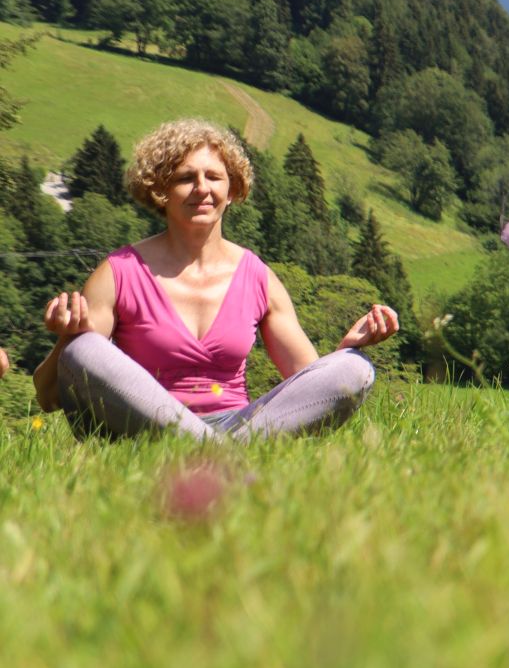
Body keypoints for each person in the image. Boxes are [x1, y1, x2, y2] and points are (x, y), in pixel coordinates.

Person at [34, 118, 398, 440]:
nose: (202, 189)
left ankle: (213, 450)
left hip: (239, 425)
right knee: (84, 349)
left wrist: (344, 350)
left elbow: (307, 386)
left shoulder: (257, 277)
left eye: (213, 177)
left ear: (233, 188)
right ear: (160, 190)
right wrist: (68, 338)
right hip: (143, 430)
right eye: (185, 178)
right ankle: (216, 452)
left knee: (354, 368)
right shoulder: (119, 272)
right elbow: (50, 397)